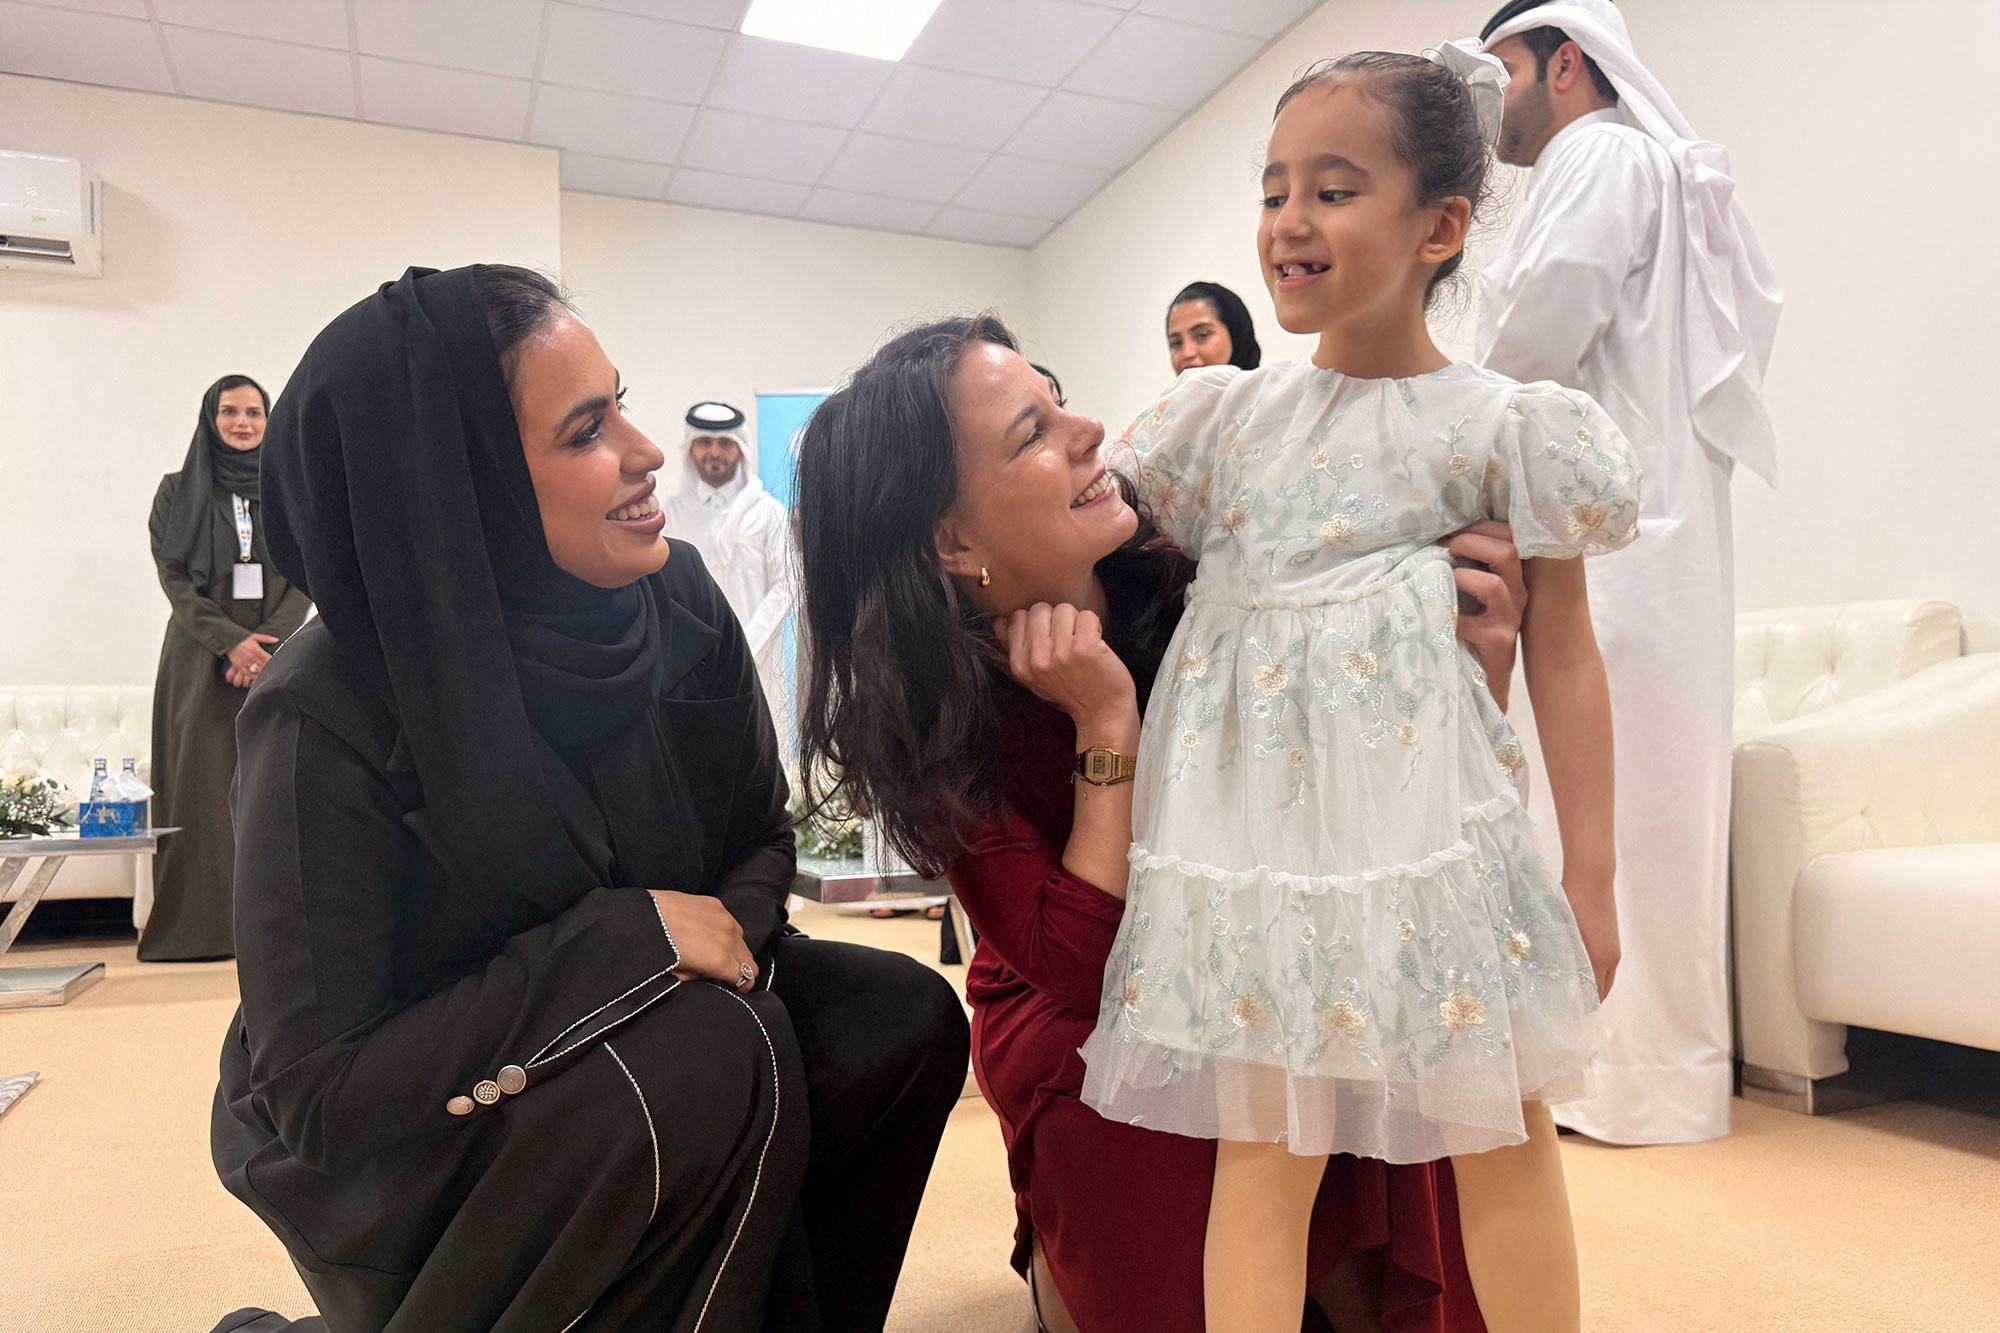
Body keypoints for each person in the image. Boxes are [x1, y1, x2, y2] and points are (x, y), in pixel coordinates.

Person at [210, 264, 967, 1332]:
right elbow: (323, 1093)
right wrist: (626, 946)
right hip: (411, 1135)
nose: (645, 450)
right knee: (702, 1060)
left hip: (668, 1041)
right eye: (584, 431)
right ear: (454, 488)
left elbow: (756, 836)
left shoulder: (674, 601)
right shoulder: (323, 713)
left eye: (622, 402)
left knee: (900, 1018)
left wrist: (699, 960)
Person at [795, 314, 1552, 1330]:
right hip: (1076, 1001)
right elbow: (1087, 967)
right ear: (952, 540)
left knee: (1376, 1029)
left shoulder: (1201, 576)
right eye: (1032, 432)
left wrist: (1473, 664)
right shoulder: (937, 716)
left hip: (1265, 939)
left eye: (1060, 400)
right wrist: (1105, 720)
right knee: (1135, 1101)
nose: (1089, 430)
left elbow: (1368, 807)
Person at [1077, 46, 1640, 1332]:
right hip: (1255, 848)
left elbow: (1561, 650)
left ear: (1438, 225)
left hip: (1430, 839)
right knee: (1260, 1154)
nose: (1288, 220)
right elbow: (1091, 544)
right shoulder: (1216, 423)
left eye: (1332, 189)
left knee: (1501, 1129)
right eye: (1273, 187)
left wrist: (1592, 879)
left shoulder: (1502, 427)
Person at [1476, 0, 1781, 1146]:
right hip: (1642, 538)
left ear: (1563, 64)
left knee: (1611, 801)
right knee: (1637, 802)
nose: (1490, 102)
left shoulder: (1597, 152)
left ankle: (1626, 1081)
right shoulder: (1638, 163)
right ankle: (1632, 1075)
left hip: (1618, 547)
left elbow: (1536, 329)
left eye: (1500, 71)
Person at [144, 374, 310, 962]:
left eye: (255, 412)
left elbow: (303, 572)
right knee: (199, 792)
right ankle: (199, 933)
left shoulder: (288, 489)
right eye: (230, 412)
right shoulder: (177, 491)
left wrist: (267, 645)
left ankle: (275, 936)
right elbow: (176, 582)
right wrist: (231, 644)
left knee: (274, 788)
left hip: (276, 657)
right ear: (210, 419)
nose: (243, 423)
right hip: (197, 658)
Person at [662, 400, 796, 746]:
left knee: (763, 756)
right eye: (705, 442)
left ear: (740, 449)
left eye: (725, 443)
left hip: (758, 662)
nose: (714, 452)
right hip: (691, 668)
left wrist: (747, 643)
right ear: (691, 449)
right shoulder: (670, 515)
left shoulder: (768, 513)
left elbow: (787, 585)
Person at [1165, 280, 1262, 375]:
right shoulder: (1173, 391)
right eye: (1176, 343)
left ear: (1236, 336)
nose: (1187, 353)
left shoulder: (1271, 389)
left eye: (1202, 335)